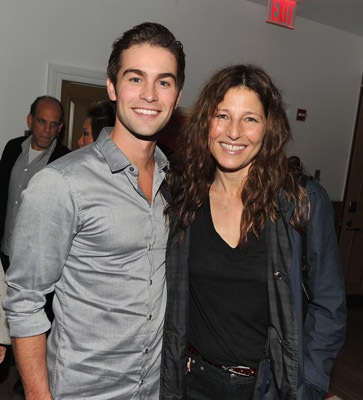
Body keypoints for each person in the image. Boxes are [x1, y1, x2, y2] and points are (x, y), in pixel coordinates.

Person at [4, 22, 185, 400]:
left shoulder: (177, 184)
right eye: (135, 78)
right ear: (112, 86)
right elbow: (24, 303)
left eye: (164, 82)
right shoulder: (61, 183)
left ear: (177, 93)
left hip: (154, 390)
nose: (149, 95)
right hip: (82, 391)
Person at [160, 65, 346, 400]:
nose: (233, 132)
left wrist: (311, 385)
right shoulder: (182, 196)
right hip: (191, 381)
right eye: (223, 115)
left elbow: (329, 305)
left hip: (268, 387)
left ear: (268, 128)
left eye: (250, 119)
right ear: (206, 122)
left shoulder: (301, 202)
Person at [0, 96, 70, 272]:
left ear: (60, 127)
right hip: (3, 251)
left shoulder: (65, 160)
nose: (47, 130)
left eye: (54, 124)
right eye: (42, 121)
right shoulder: (13, 148)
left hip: (36, 261)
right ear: (30, 120)